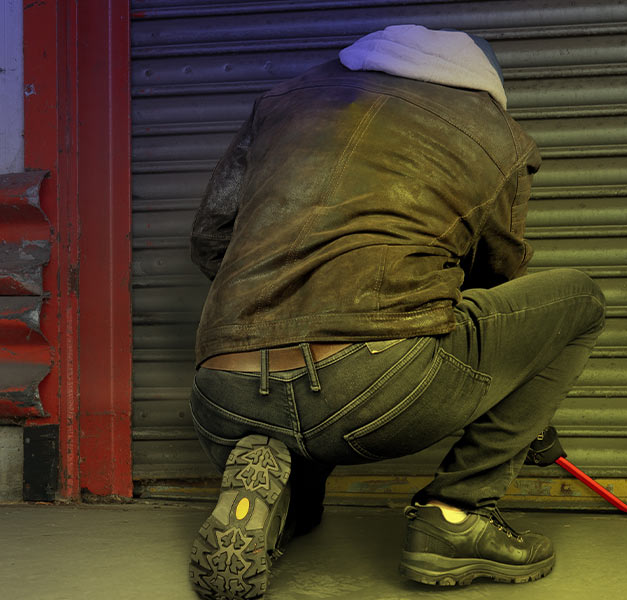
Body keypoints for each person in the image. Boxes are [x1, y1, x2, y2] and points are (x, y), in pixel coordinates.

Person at [184, 24, 605, 600]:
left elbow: (211, 239)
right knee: (579, 301)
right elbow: (496, 282)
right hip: (371, 395)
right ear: (485, 83)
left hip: (223, 396)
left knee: (297, 426)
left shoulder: (285, 102)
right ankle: (457, 515)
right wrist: (520, 403)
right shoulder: (496, 136)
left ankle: (284, 499)